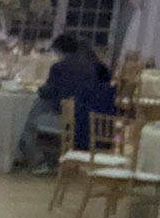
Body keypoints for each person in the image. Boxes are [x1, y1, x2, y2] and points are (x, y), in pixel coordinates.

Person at [21, 32, 115, 168]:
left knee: (31, 122)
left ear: (59, 51)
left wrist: (39, 90)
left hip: (68, 119)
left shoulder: (59, 67)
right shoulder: (91, 69)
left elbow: (48, 92)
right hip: (88, 120)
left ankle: (37, 161)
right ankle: (52, 158)